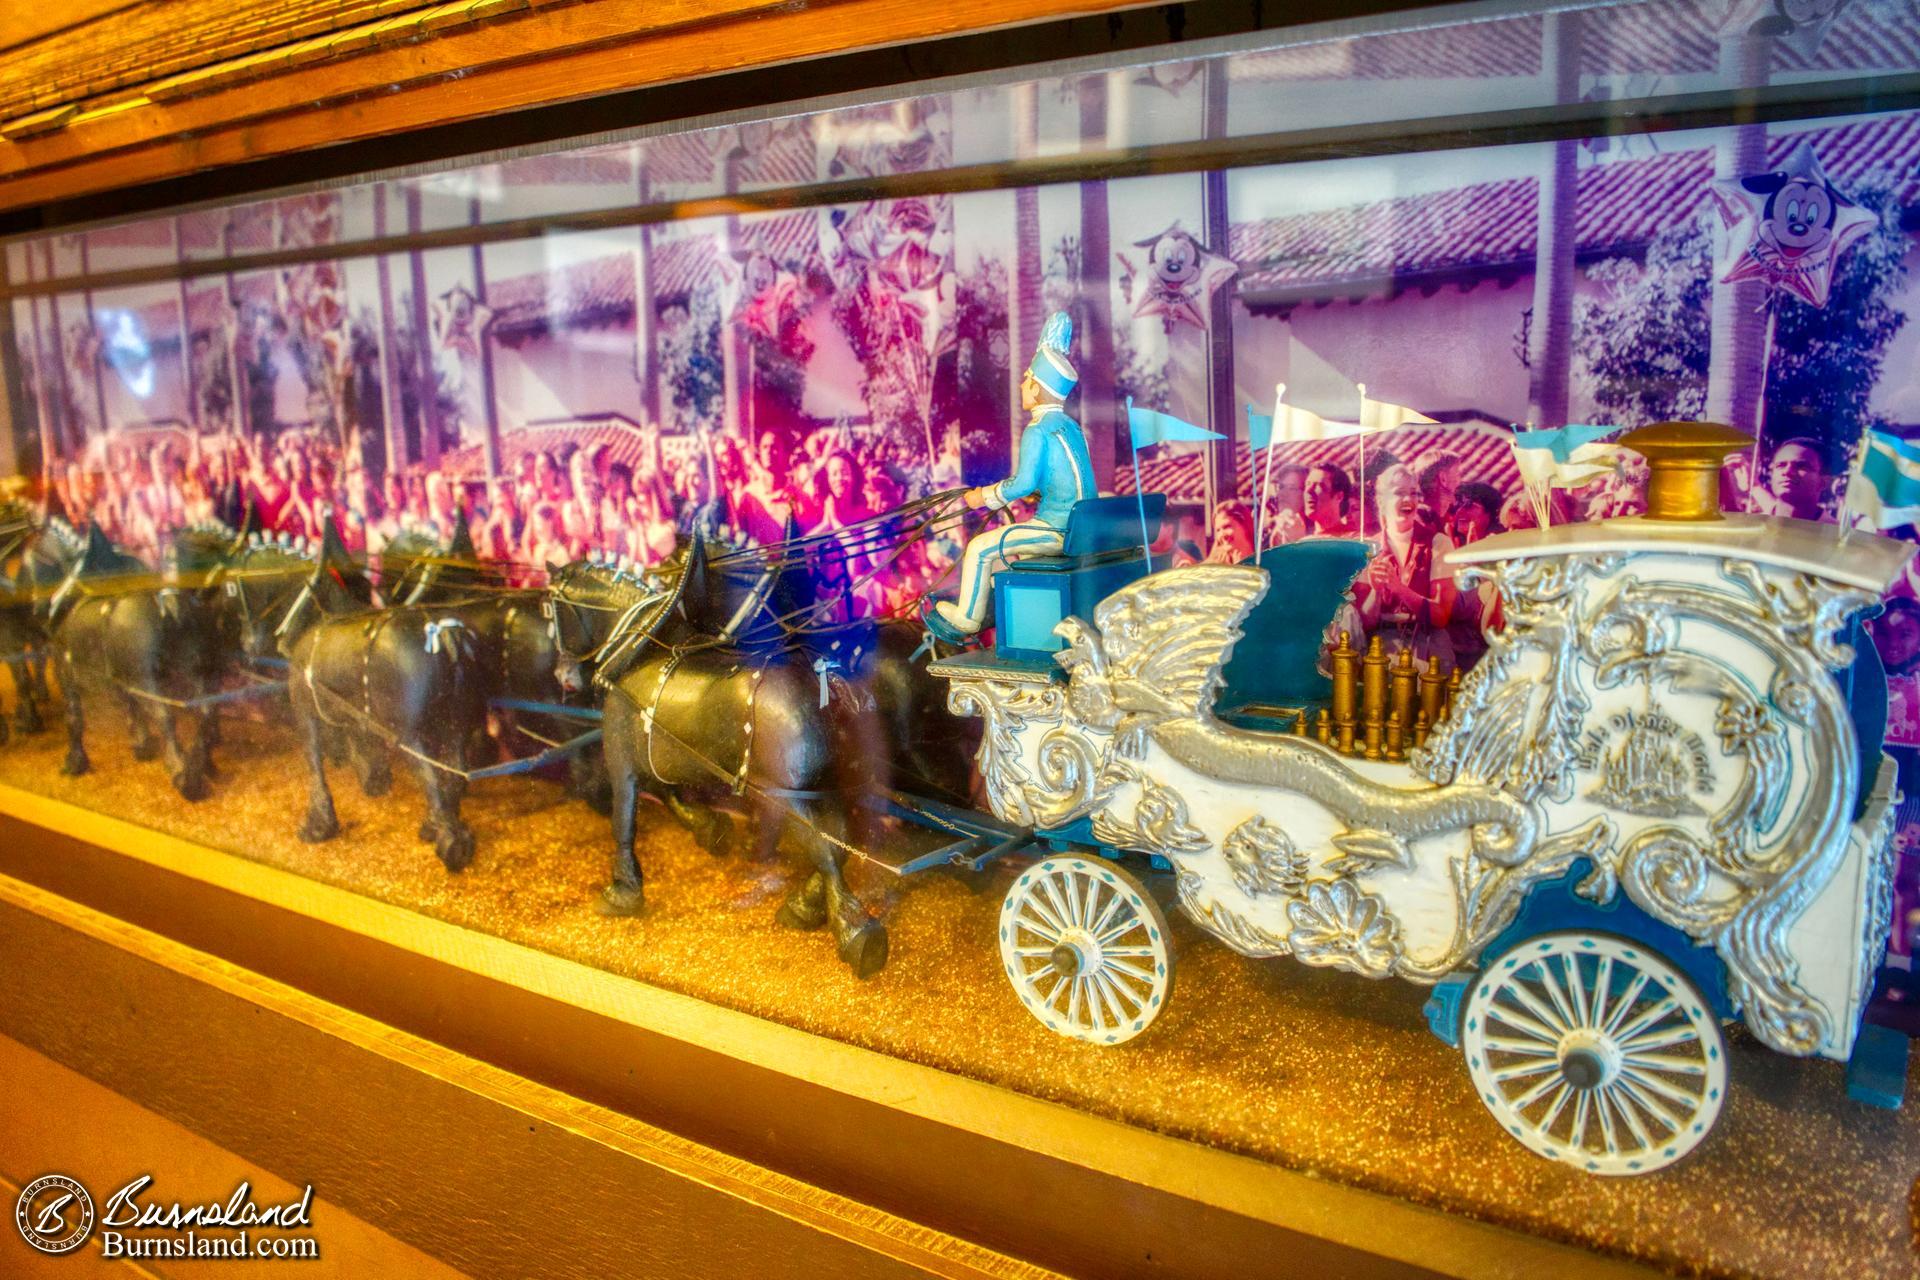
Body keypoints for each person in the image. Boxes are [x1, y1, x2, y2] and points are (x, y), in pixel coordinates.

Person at [932, 311, 1094, 638]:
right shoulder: (1070, 427)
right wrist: (1040, 491)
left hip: (1058, 529)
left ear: (1036, 387)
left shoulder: (1038, 429)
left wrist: (982, 496)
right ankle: (999, 609)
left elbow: (1022, 483)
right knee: (1005, 547)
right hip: (1081, 527)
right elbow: (1067, 478)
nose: (1021, 384)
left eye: (1026, 379)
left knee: (979, 548)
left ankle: (966, 620)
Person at [1352, 462, 1456, 670]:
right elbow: (1365, 623)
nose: (1409, 500)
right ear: (1381, 502)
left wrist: (1399, 589)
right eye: (1399, 493)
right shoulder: (1367, 548)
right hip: (1382, 646)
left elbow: (1440, 616)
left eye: (1414, 493)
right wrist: (1376, 591)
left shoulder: (1439, 543)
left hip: (1428, 644)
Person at [1757, 437, 1830, 521]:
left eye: (1801, 466)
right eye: (1781, 465)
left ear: (1824, 482)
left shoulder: (1837, 533)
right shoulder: (1750, 527)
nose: (1787, 471)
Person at [1302, 462, 1358, 538]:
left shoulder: (1354, 540)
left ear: (1339, 496)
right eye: (1307, 484)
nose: (1308, 490)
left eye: (1319, 486)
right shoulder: (1304, 543)